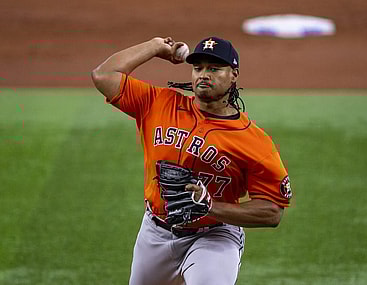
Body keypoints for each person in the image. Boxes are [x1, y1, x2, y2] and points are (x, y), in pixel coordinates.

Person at [91, 36, 292, 285]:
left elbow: (272, 211)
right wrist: (155, 47)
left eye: (214, 68)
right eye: (198, 68)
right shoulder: (159, 104)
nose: (203, 75)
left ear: (234, 75)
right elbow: (104, 75)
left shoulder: (254, 141)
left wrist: (211, 206)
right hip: (155, 231)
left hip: (215, 235)